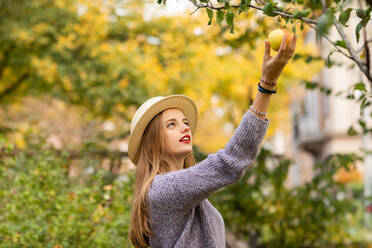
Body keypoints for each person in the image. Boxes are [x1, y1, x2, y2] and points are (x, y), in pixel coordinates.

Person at [128, 34, 297, 248]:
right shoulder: (164, 189)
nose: (184, 127)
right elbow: (230, 162)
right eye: (171, 124)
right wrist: (267, 85)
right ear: (151, 143)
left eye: (185, 121)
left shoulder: (187, 194)